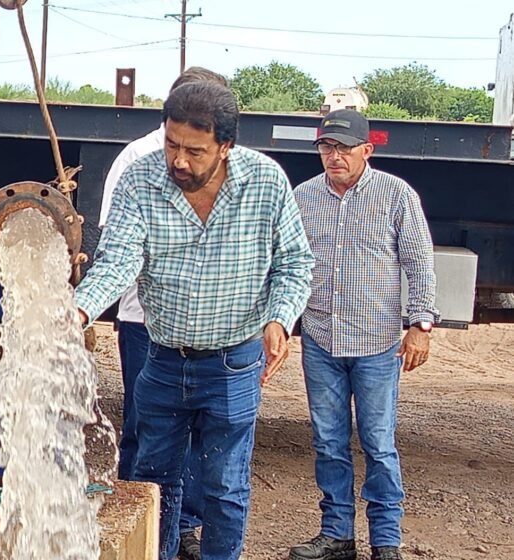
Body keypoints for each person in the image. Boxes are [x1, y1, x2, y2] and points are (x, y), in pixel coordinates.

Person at [75, 81, 314, 560]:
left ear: (226, 147)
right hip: (162, 362)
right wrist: (78, 310)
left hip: (233, 363)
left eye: (194, 151)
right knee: (150, 482)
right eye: (172, 145)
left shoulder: (266, 182)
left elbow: (294, 264)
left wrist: (279, 318)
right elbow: (118, 261)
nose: (179, 161)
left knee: (224, 488)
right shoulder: (140, 180)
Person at [290, 109, 438, 560]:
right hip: (321, 338)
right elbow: (288, 262)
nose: (334, 157)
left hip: (377, 343)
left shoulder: (396, 195)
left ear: (366, 150)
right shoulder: (303, 197)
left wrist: (420, 325)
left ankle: (386, 541)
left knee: (378, 444)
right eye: (326, 147)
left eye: (344, 148)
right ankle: (337, 534)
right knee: (328, 442)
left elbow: (420, 264)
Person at [98, 66, 227, 560]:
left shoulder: (229, 163)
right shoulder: (136, 159)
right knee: (145, 428)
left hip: (208, 327)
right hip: (144, 321)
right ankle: (139, 527)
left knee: (198, 429)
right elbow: (115, 243)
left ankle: (185, 527)